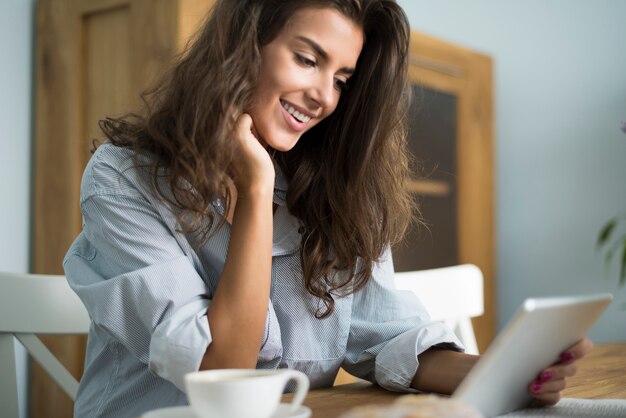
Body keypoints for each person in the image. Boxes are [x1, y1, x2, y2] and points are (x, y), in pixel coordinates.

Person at [63, 0, 592, 417]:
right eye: (307, 59)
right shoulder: (123, 181)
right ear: (240, 48)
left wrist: (504, 373)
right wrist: (253, 191)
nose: (324, 97)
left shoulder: (330, 187)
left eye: (341, 78)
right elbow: (221, 367)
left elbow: (385, 338)